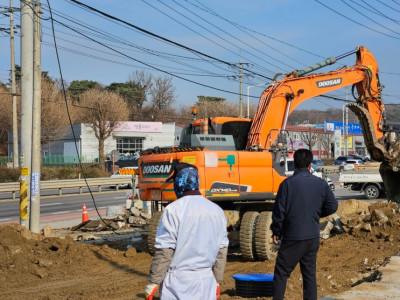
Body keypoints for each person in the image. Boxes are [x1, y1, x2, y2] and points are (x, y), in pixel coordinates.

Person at [144, 163, 229, 300]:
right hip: (206, 281)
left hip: (178, 283)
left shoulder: (173, 210)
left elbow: (166, 250)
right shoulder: (216, 210)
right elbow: (222, 250)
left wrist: (153, 281)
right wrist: (217, 280)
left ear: (179, 182)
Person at [271, 149, 338, 300]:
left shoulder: (287, 184)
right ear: (310, 165)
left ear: (294, 164)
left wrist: (276, 231)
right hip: (312, 237)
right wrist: (315, 214)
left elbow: (279, 212)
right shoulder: (320, 184)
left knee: (281, 273)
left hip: (293, 237)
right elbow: (333, 206)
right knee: (309, 275)